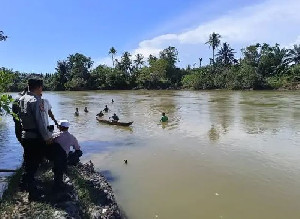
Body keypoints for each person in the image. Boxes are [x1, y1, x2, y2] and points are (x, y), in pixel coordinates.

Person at [18, 79, 60, 195]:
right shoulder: (36, 101)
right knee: (38, 161)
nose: (42, 89)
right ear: (39, 87)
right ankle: (33, 192)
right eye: (42, 87)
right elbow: (40, 121)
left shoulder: (21, 99)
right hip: (36, 137)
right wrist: (47, 138)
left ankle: (23, 184)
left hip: (26, 135)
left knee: (29, 161)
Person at [52, 120, 82, 188]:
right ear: (67, 128)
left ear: (60, 127)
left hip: (54, 157)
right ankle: (68, 166)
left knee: (58, 170)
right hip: (64, 157)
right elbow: (77, 149)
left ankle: (58, 180)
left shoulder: (55, 136)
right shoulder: (72, 137)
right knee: (77, 152)